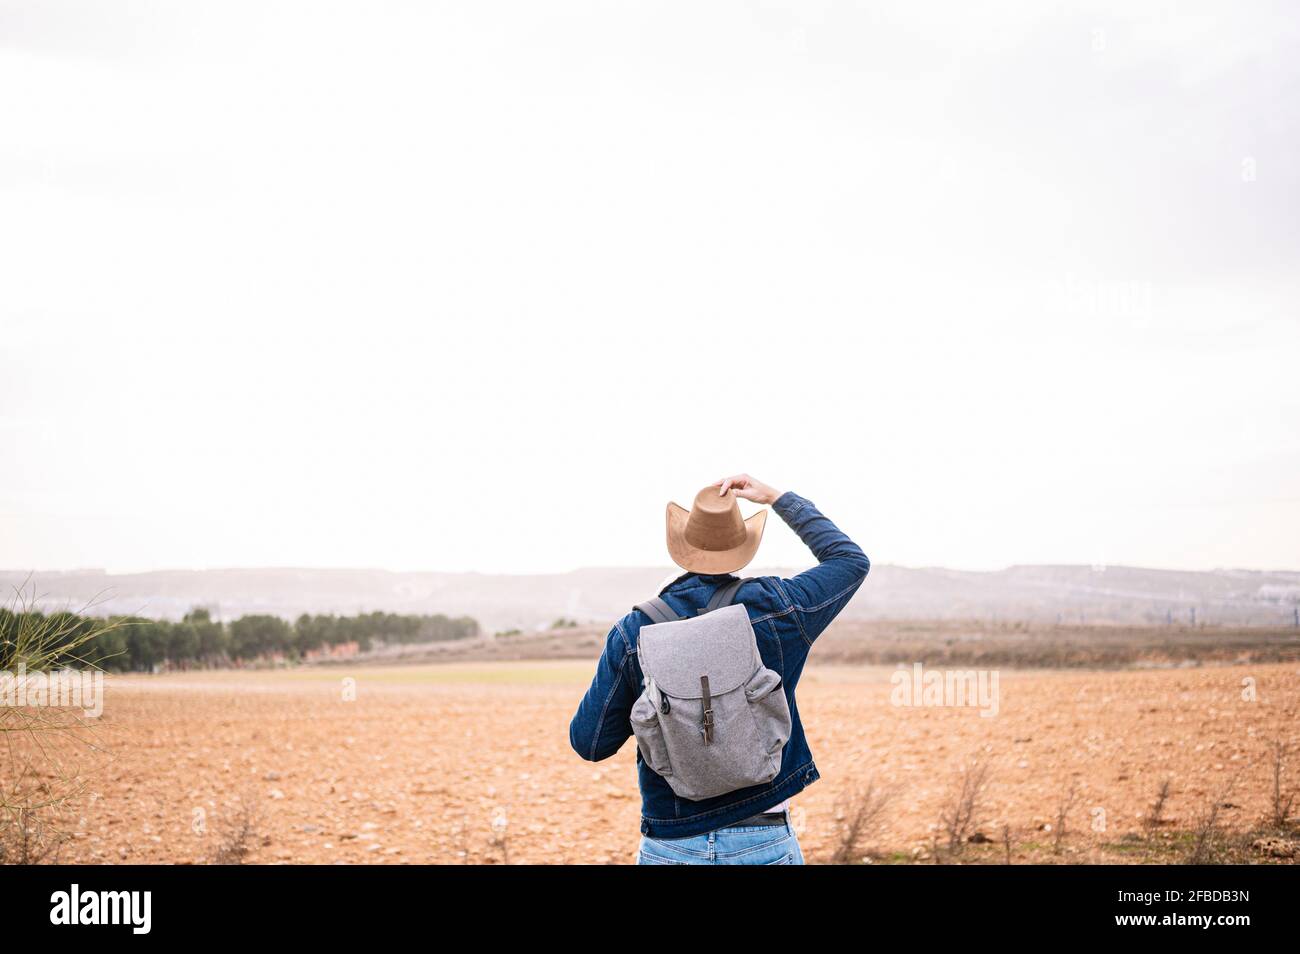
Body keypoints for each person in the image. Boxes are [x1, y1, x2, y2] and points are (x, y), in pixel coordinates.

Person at [568, 473, 870, 864]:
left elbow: (589, 743)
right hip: (764, 838)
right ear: (743, 547)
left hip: (672, 843)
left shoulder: (634, 632)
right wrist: (778, 498)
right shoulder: (780, 607)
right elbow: (850, 560)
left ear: (681, 547)